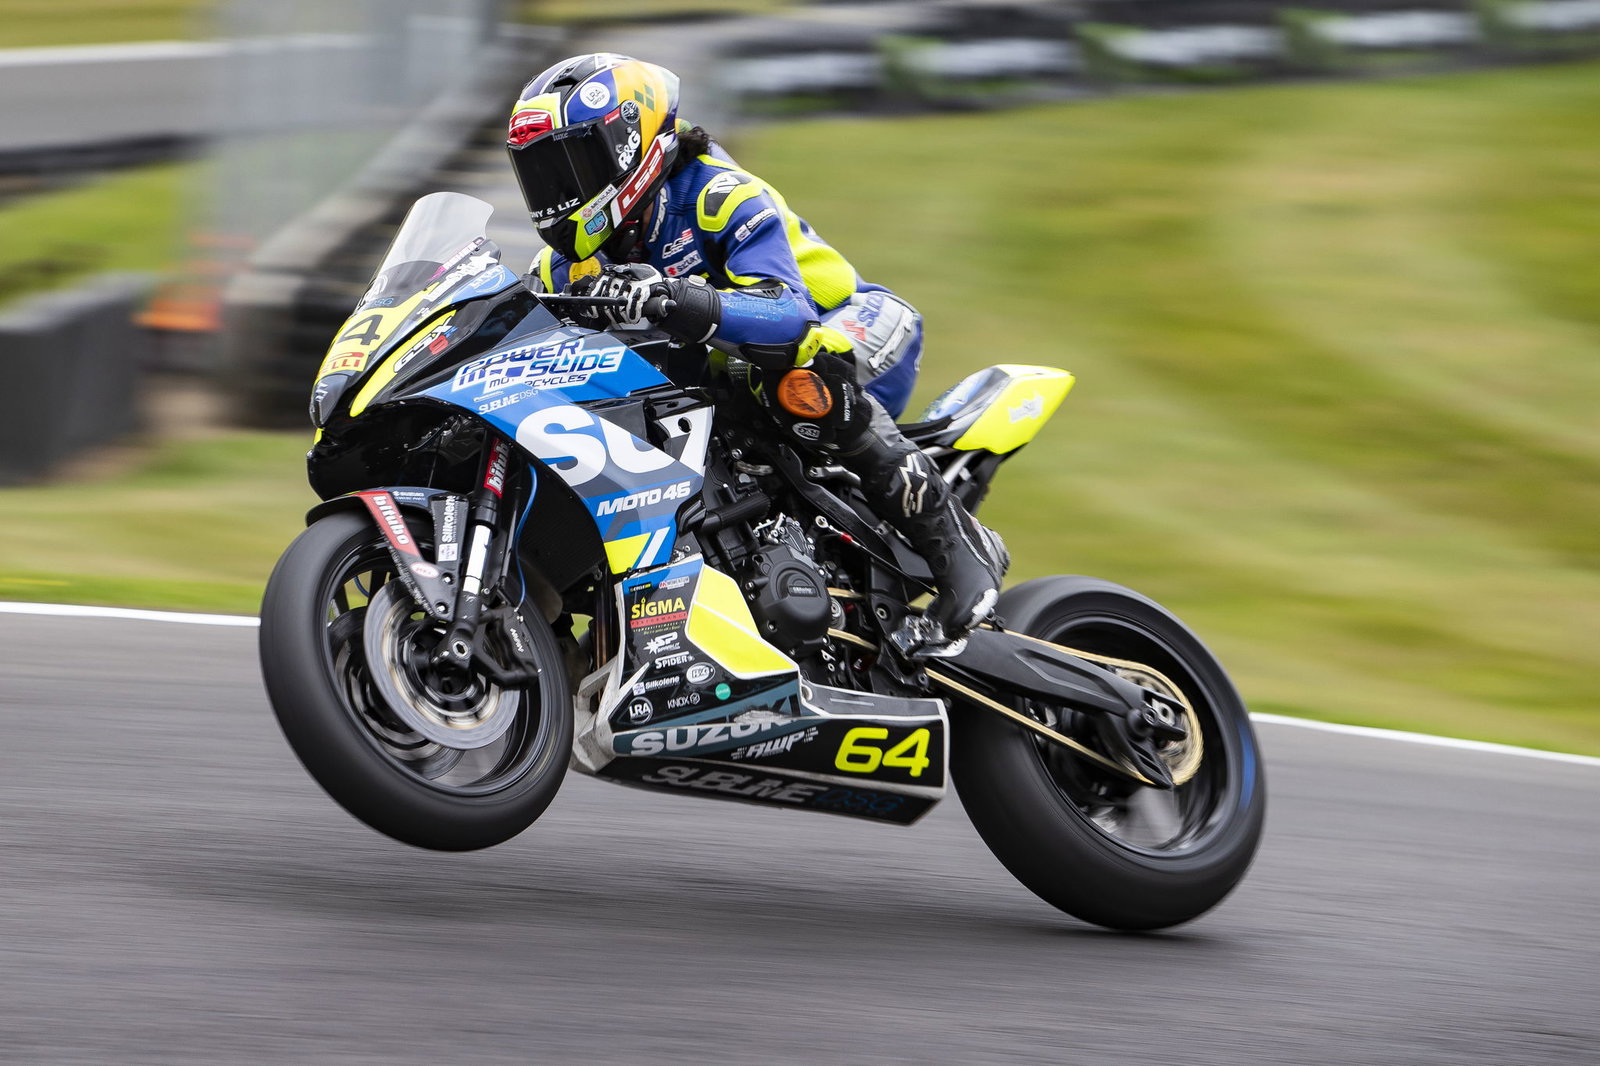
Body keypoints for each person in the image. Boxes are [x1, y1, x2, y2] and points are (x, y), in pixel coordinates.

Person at [506, 52, 1006, 648]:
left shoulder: (716, 193)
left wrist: (677, 298)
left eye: (569, 168)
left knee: (793, 374)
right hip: (724, 377)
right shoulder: (561, 266)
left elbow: (788, 314)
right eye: (541, 177)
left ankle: (960, 557)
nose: (558, 193)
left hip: (851, 322)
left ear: (626, 143)